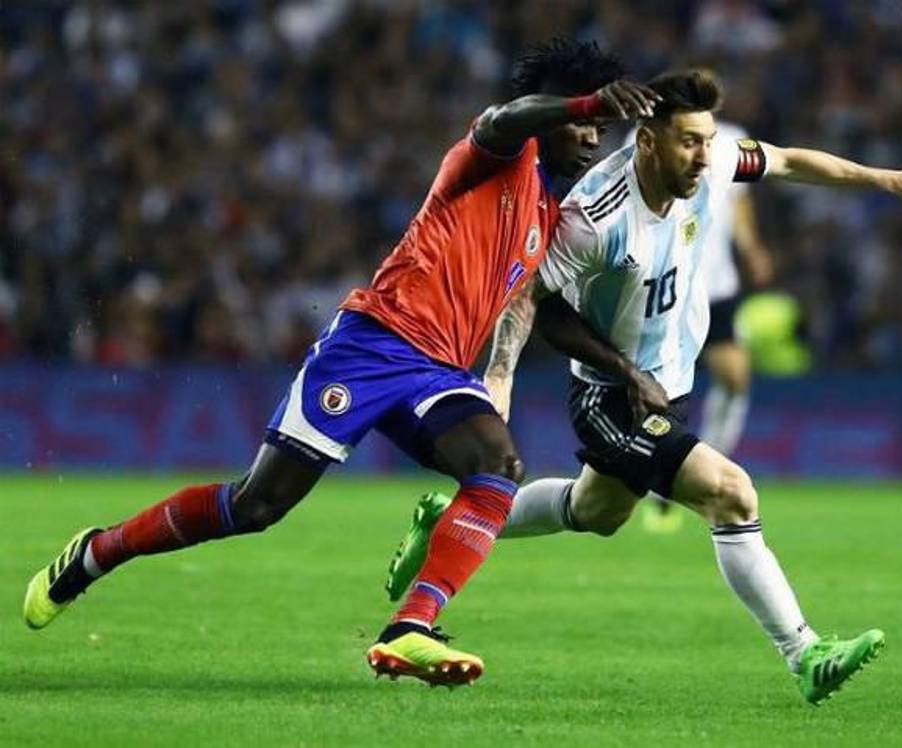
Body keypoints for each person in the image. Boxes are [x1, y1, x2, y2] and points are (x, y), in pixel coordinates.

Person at [23, 38, 660, 688]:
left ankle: (410, 626)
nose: (591, 138)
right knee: (257, 506)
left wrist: (621, 369)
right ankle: (98, 551)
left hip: (439, 371)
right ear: (552, 112)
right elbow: (504, 117)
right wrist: (582, 102)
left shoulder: (546, 213)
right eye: (582, 122)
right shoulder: (494, 156)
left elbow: (542, 310)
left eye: (599, 127)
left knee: (498, 467)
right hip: (370, 346)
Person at [387, 69, 902, 703]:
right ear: (647, 140)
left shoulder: (712, 164)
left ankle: (454, 521)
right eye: (689, 142)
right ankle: (805, 653)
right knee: (731, 494)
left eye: (708, 140)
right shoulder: (594, 215)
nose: (703, 155)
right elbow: (533, 297)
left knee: (597, 511)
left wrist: (890, 180)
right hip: (611, 395)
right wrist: (512, 375)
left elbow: (788, 160)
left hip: (668, 383)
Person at [623, 120, 775, 533]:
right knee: (658, 392)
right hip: (668, 287)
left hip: (716, 285)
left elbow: (739, 203)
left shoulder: (730, 139)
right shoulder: (646, 135)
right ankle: (656, 472)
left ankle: (706, 464)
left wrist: (751, 248)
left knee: (735, 378)